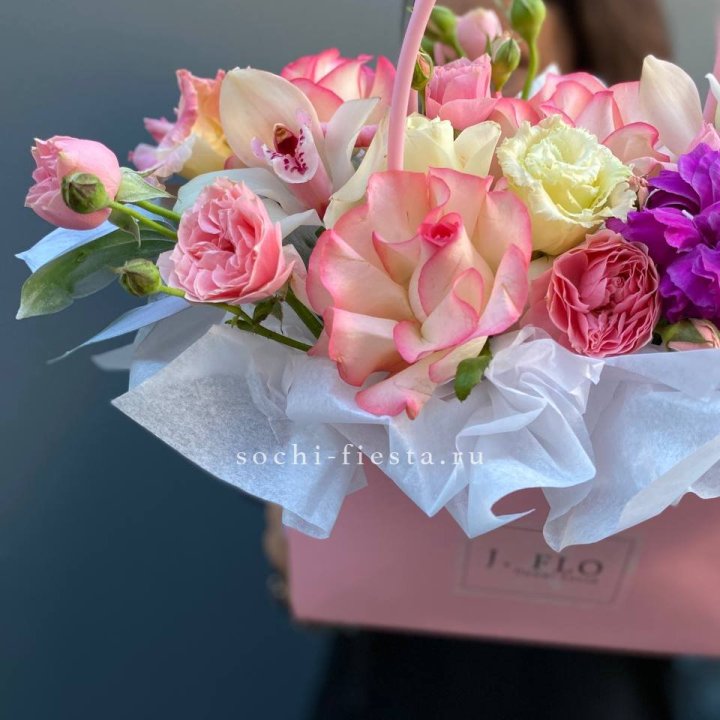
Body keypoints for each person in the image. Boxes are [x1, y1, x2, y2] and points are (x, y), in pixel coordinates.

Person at [265, 1, 676, 717]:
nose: (467, 16)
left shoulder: (667, 197)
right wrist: (298, 509)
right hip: (401, 672)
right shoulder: (376, 166)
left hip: (592, 678)